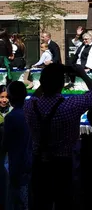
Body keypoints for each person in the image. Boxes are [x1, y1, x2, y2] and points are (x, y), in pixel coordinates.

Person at [24, 63, 92, 210]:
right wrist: (82, 74)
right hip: (64, 163)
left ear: (42, 83)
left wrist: (50, 74)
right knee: (65, 202)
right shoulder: (70, 105)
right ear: (61, 83)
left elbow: (35, 96)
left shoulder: (30, 107)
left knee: (40, 202)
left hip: (38, 161)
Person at [1, 81, 32, 210]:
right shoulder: (31, 113)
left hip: (15, 163)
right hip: (30, 161)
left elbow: (5, 145)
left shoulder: (11, 117)